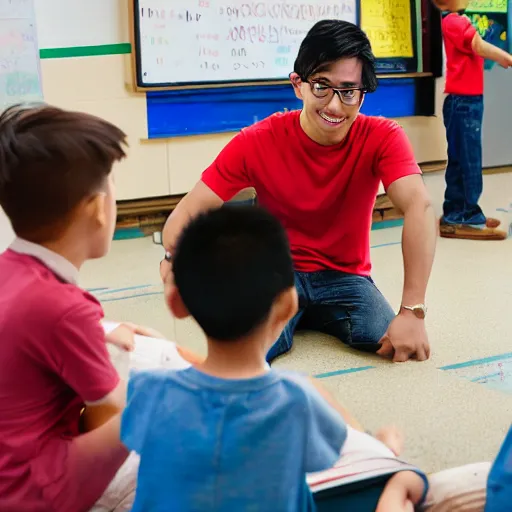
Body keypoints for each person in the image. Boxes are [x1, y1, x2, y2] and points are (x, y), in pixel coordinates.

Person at [159, 20, 436, 364]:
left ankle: (314, 316)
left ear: (362, 93)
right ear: (298, 85)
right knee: (247, 351)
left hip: (347, 279)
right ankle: (290, 318)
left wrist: (412, 312)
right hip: (277, 273)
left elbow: (420, 208)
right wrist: (174, 260)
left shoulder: (383, 137)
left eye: (348, 91)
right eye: (321, 86)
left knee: (391, 342)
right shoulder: (257, 140)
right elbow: (187, 212)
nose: (335, 106)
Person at [122, 206, 430, 511]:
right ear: (287, 306)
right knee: (408, 482)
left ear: (176, 304)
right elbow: (339, 463)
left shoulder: (148, 391)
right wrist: (386, 451)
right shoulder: (298, 400)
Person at [0, 104, 147, 512]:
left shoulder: (10, 269)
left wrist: (103, 329)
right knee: (162, 404)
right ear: (97, 209)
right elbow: (113, 410)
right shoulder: (66, 308)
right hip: (36, 490)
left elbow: (23, 325)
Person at [432, 0, 512, 240]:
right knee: (469, 161)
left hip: (466, 102)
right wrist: (505, 57)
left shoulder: (458, 20)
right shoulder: (454, 21)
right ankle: (466, 215)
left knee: (461, 159)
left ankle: (457, 212)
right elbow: (478, 46)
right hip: (463, 103)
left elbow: (477, 44)